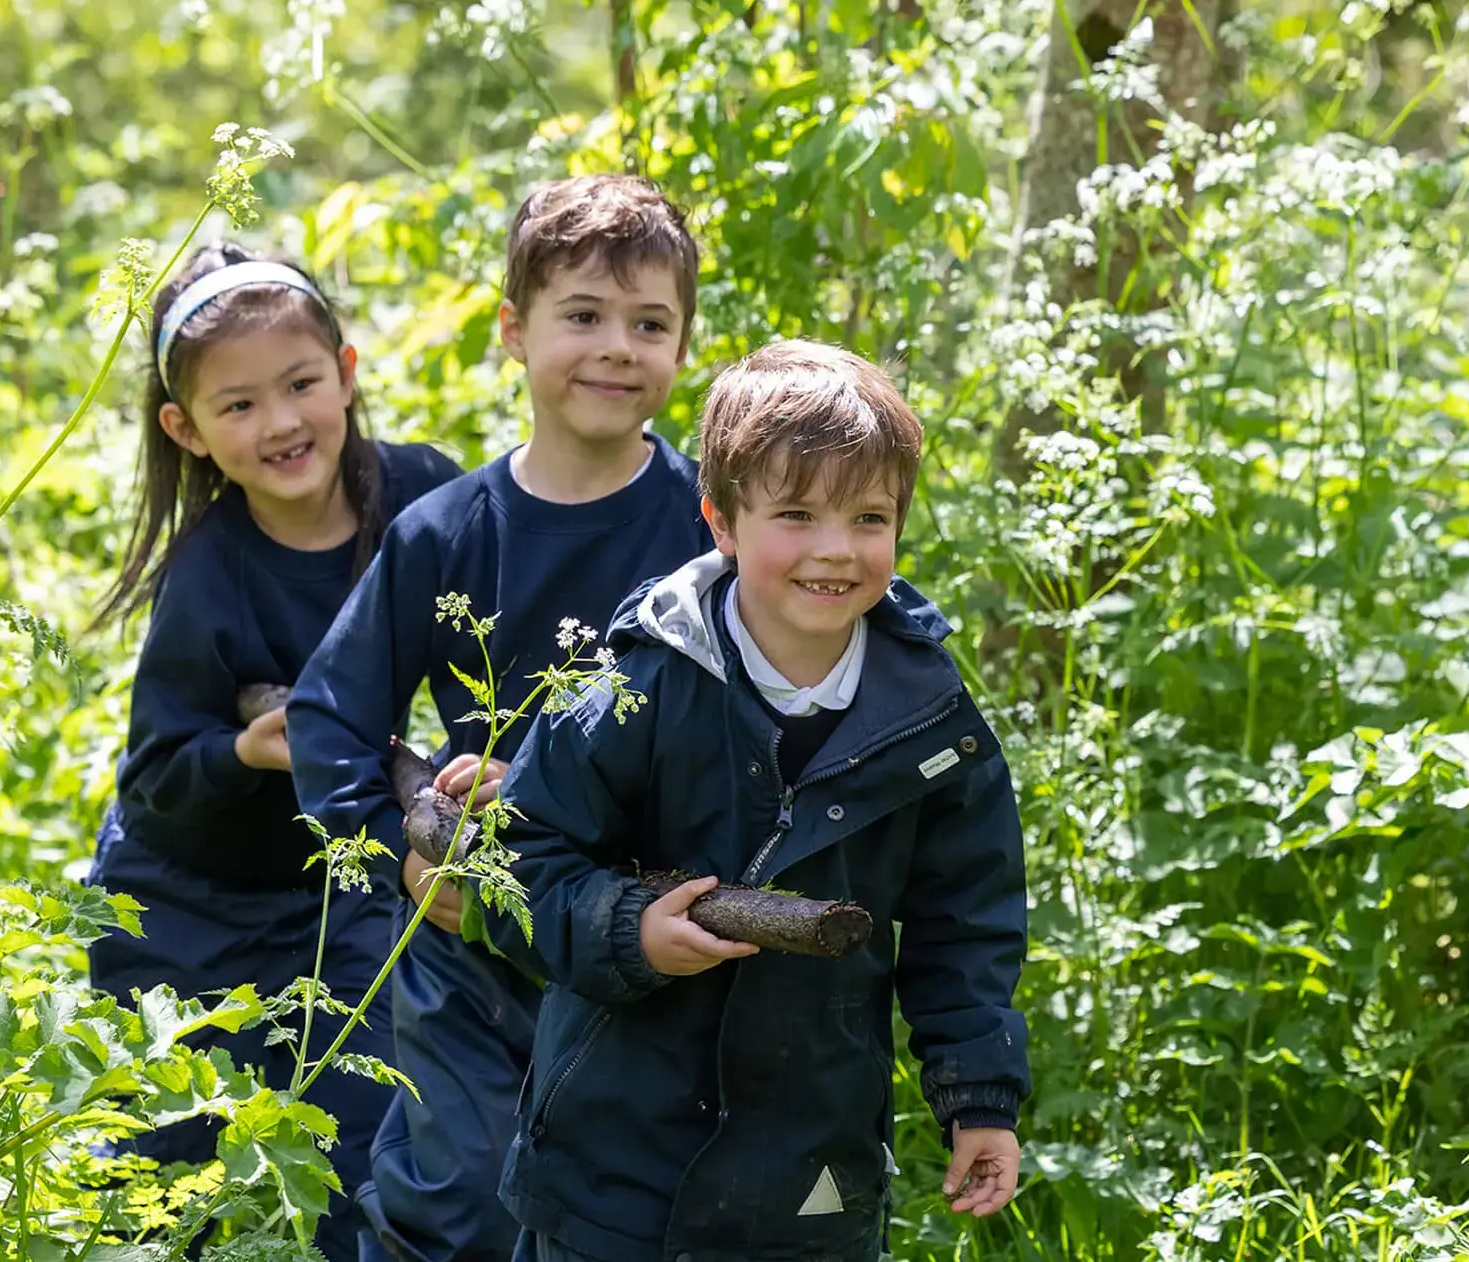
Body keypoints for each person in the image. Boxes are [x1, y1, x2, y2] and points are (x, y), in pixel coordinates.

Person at [494, 340, 1030, 1262]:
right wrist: (630, 931)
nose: (836, 549)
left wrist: (978, 1099)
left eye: (869, 517)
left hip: (810, 1160)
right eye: (796, 513)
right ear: (721, 521)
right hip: (615, 1162)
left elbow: (966, 922)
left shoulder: (930, 717)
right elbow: (518, 861)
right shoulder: (640, 684)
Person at [289, 174, 713, 1262]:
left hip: (641, 934)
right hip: (473, 925)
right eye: (582, 316)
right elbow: (332, 716)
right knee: (457, 1196)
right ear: (514, 334)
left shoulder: (714, 525)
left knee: (624, 1211)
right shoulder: (444, 534)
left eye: (649, 323)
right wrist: (403, 862)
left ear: (682, 345)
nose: (617, 347)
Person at [87, 242, 463, 1262]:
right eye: (240, 404)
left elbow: (486, 648)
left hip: (341, 892)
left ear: (344, 371)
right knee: (169, 1169)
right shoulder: (209, 575)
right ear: (189, 430)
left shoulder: (424, 499)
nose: (283, 422)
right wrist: (249, 751)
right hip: (186, 902)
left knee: (365, 1128)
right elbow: (158, 779)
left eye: (301, 383)